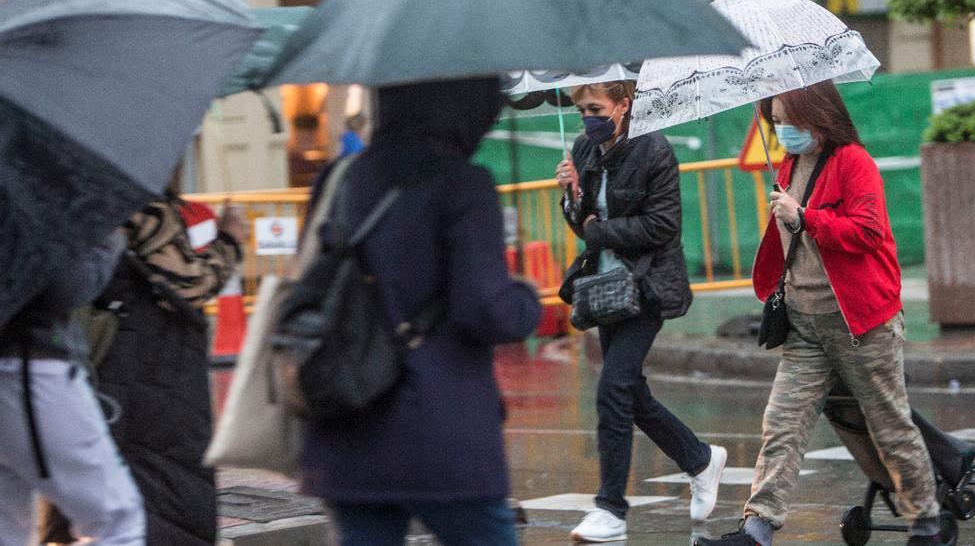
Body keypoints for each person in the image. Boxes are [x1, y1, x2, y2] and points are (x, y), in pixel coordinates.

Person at [299, 76, 542, 546]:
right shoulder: (462, 184)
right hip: (442, 426)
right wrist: (525, 299)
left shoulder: (338, 179)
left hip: (347, 412)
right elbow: (486, 310)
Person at [695, 81, 939, 546]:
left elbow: (868, 233)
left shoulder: (854, 163)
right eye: (776, 122)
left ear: (820, 115)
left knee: (889, 425)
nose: (783, 130)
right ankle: (758, 528)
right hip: (805, 326)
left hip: (860, 326)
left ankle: (925, 520)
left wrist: (805, 216)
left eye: (790, 121)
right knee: (781, 426)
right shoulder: (789, 165)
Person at [556, 81, 727, 543]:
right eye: (582, 110)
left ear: (624, 106)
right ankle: (699, 459)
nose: (587, 118)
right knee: (631, 394)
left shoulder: (654, 149)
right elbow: (583, 224)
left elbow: (662, 224)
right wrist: (571, 197)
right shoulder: (584, 150)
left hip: (647, 284)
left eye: (596, 108)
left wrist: (598, 230)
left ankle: (610, 509)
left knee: (613, 389)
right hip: (606, 286)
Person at [36, 194, 250, 545]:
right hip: (145, 365)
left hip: (83, 357)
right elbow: (189, 284)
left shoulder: (58, 191)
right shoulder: (127, 193)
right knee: (150, 495)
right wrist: (229, 240)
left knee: (85, 492)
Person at [0, 231, 146, 546]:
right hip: (28, 364)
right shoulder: (35, 199)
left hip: (24, 365)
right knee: (117, 521)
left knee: (7, 525)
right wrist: (110, 239)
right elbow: (68, 285)